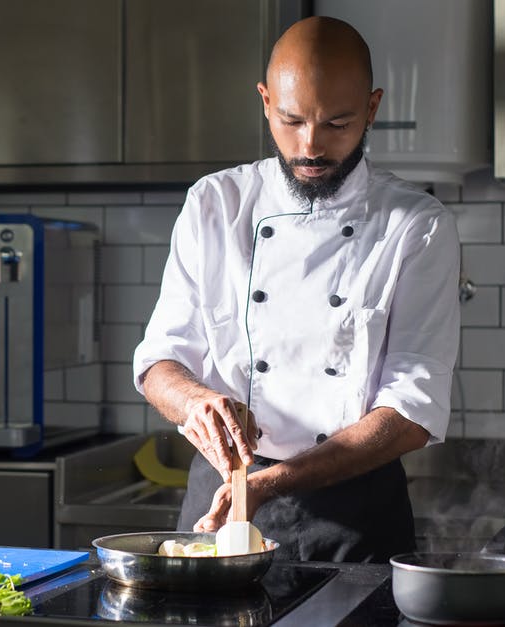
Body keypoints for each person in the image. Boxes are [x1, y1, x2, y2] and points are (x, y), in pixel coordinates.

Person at [131, 16, 461, 562]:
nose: (311, 146)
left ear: (372, 109)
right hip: (221, 497)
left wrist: (270, 483)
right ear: (264, 102)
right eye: (291, 121)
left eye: (337, 123)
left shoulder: (415, 225)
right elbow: (159, 359)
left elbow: (412, 411)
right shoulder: (214, 204)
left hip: (355, 518)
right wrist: (197, 402)